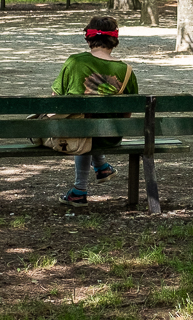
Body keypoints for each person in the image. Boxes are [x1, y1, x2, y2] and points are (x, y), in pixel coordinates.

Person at [52, 16, 138, 206]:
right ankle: (101, 167)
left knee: (83, 127)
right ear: (114, 40)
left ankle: (80, 189)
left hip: (76, 134)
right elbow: (129, 110)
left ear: (89, 38)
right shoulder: (126, 70)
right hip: (110, 136)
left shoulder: (75, 62)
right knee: (90, 128)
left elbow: (55, 98)